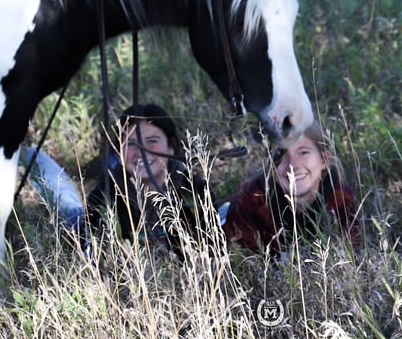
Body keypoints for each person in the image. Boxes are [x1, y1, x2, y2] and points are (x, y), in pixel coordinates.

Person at [85, 103, 214, 256]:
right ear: (119, 150)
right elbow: (94, 260)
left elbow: (215, 253)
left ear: (171, 146)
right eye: (131, 143)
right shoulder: (102, 200)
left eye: (152, 141)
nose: (141, 152)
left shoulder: (197, 193)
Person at [222, 121, 359, 254]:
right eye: (280, 155)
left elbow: (349, 254)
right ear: (271, 164)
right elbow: (243, 262)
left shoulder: (340, 198)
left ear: (324, 159)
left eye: (303, 152)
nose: (293, 165)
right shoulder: (251, 200)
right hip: (226, 220)